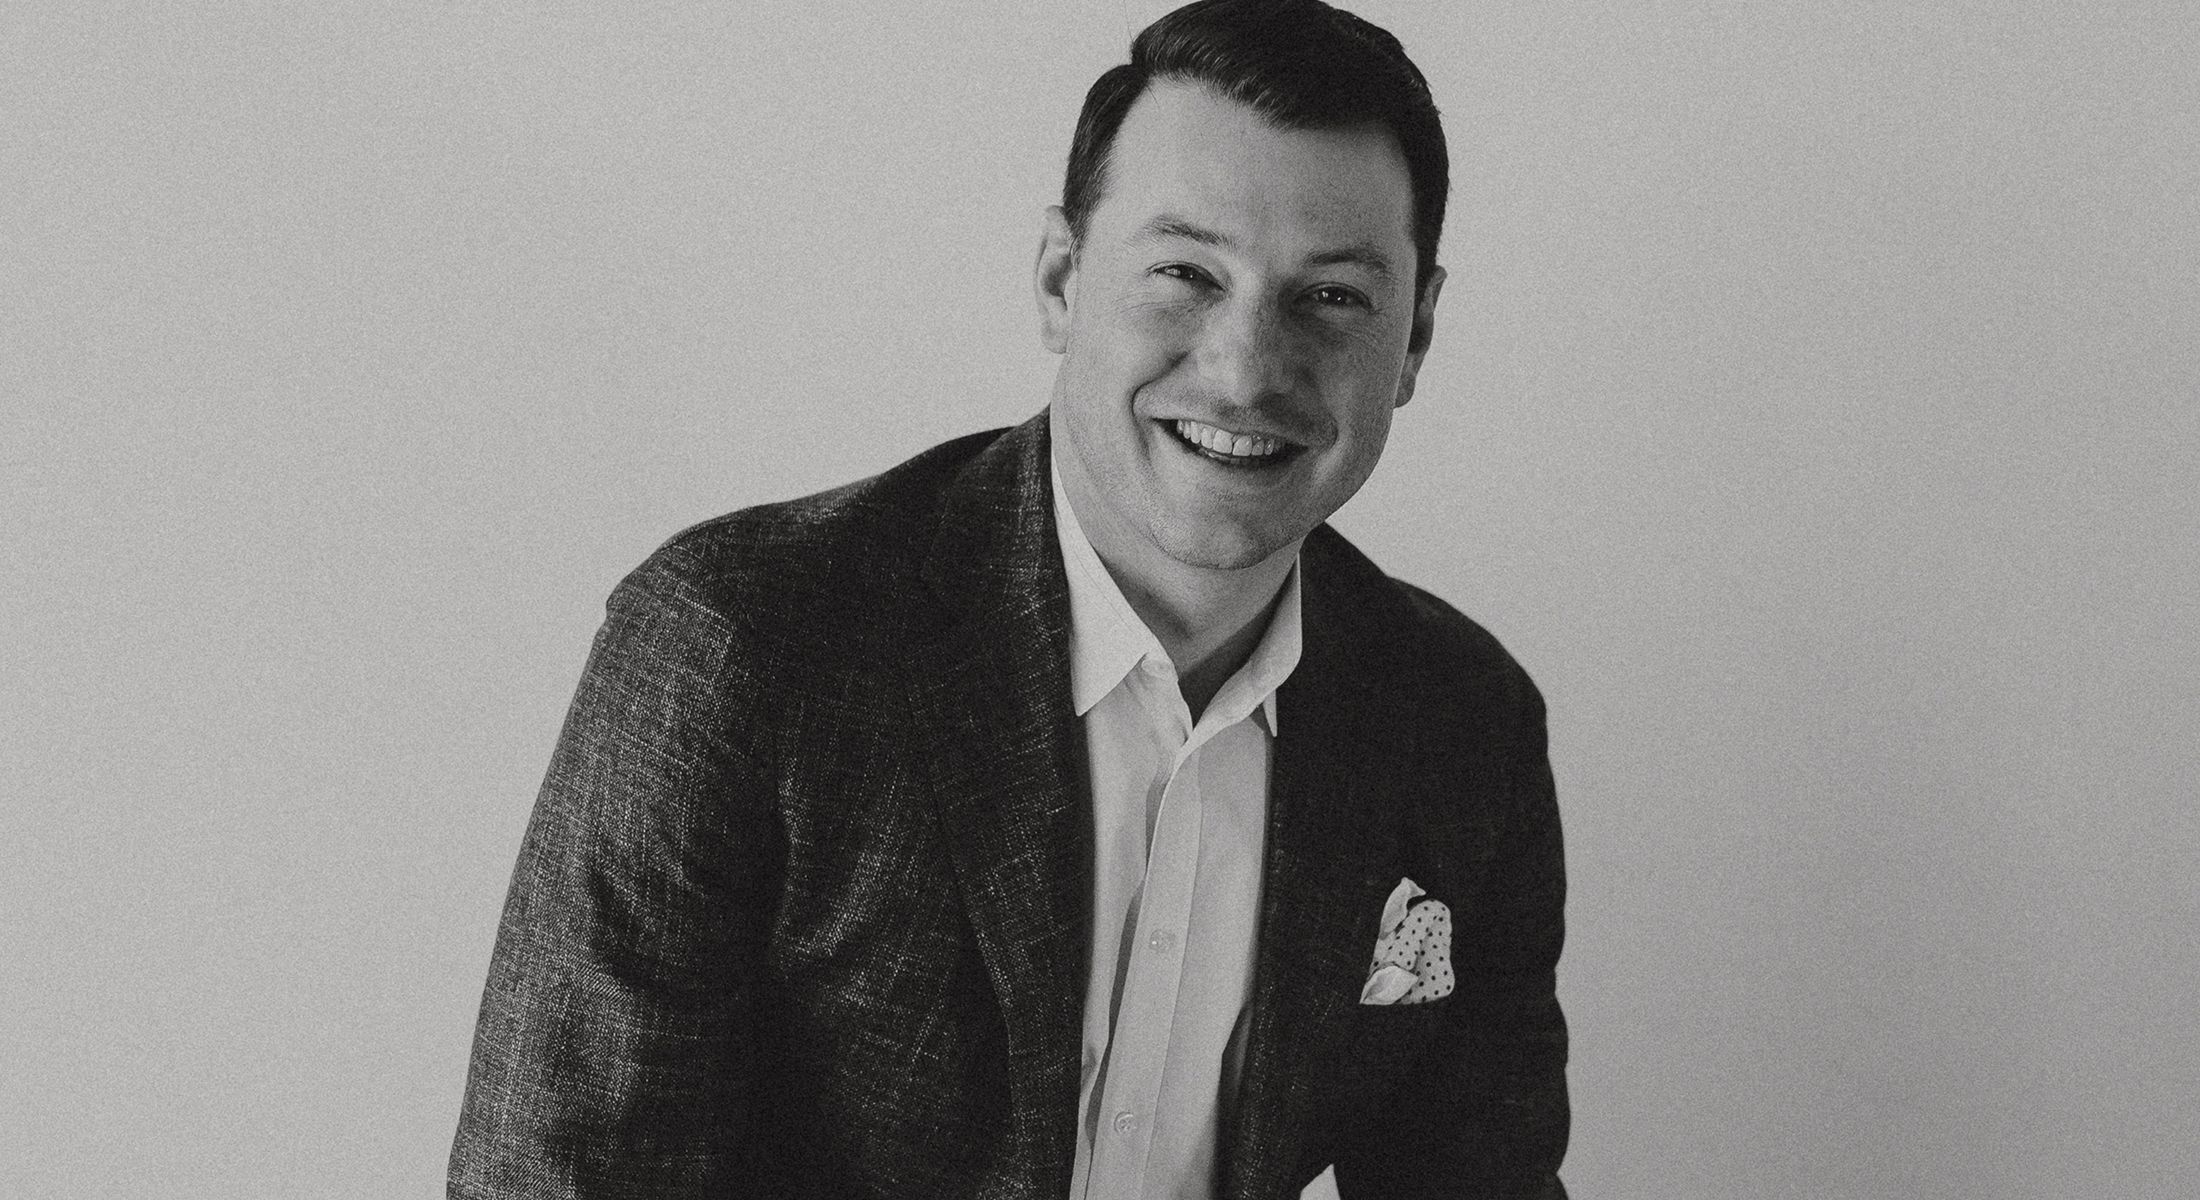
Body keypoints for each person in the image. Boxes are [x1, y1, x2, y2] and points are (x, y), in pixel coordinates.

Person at [448, 1, 1569, 1196]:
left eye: (1332, 297)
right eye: (1185, 273)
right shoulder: (741, 645)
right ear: (1058, 281)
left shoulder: (1465, 723)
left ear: (1418, 336)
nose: (1245, 368)